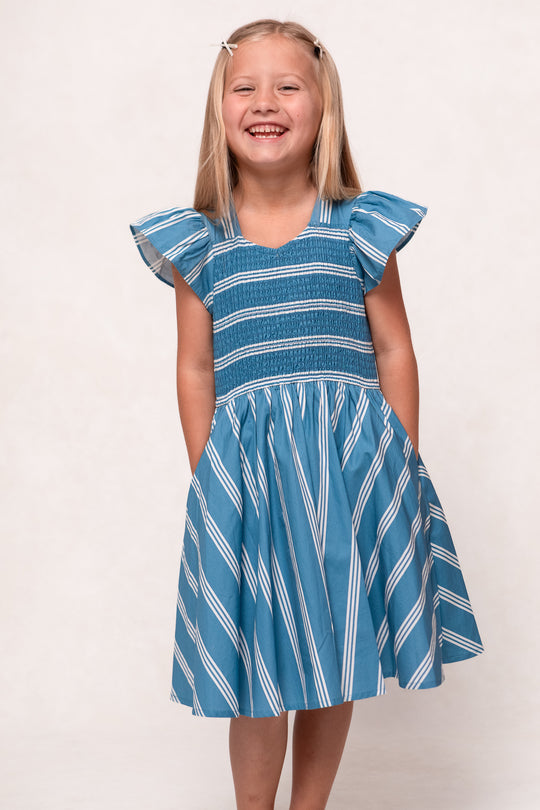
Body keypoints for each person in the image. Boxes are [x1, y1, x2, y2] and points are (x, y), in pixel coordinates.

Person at [129, 18, 484, 810]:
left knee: (336, 645)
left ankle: (309, 806)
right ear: (219, 109)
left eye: (288, 86)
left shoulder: (359, 229)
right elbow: (195, 367)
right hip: (248, 480)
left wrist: (401, 459)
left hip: (352, 475)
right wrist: (208, 470)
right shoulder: (203, 245)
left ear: (323, 108)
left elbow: (394, 350)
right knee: (260, 663)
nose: (266, 102)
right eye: (245, 86)